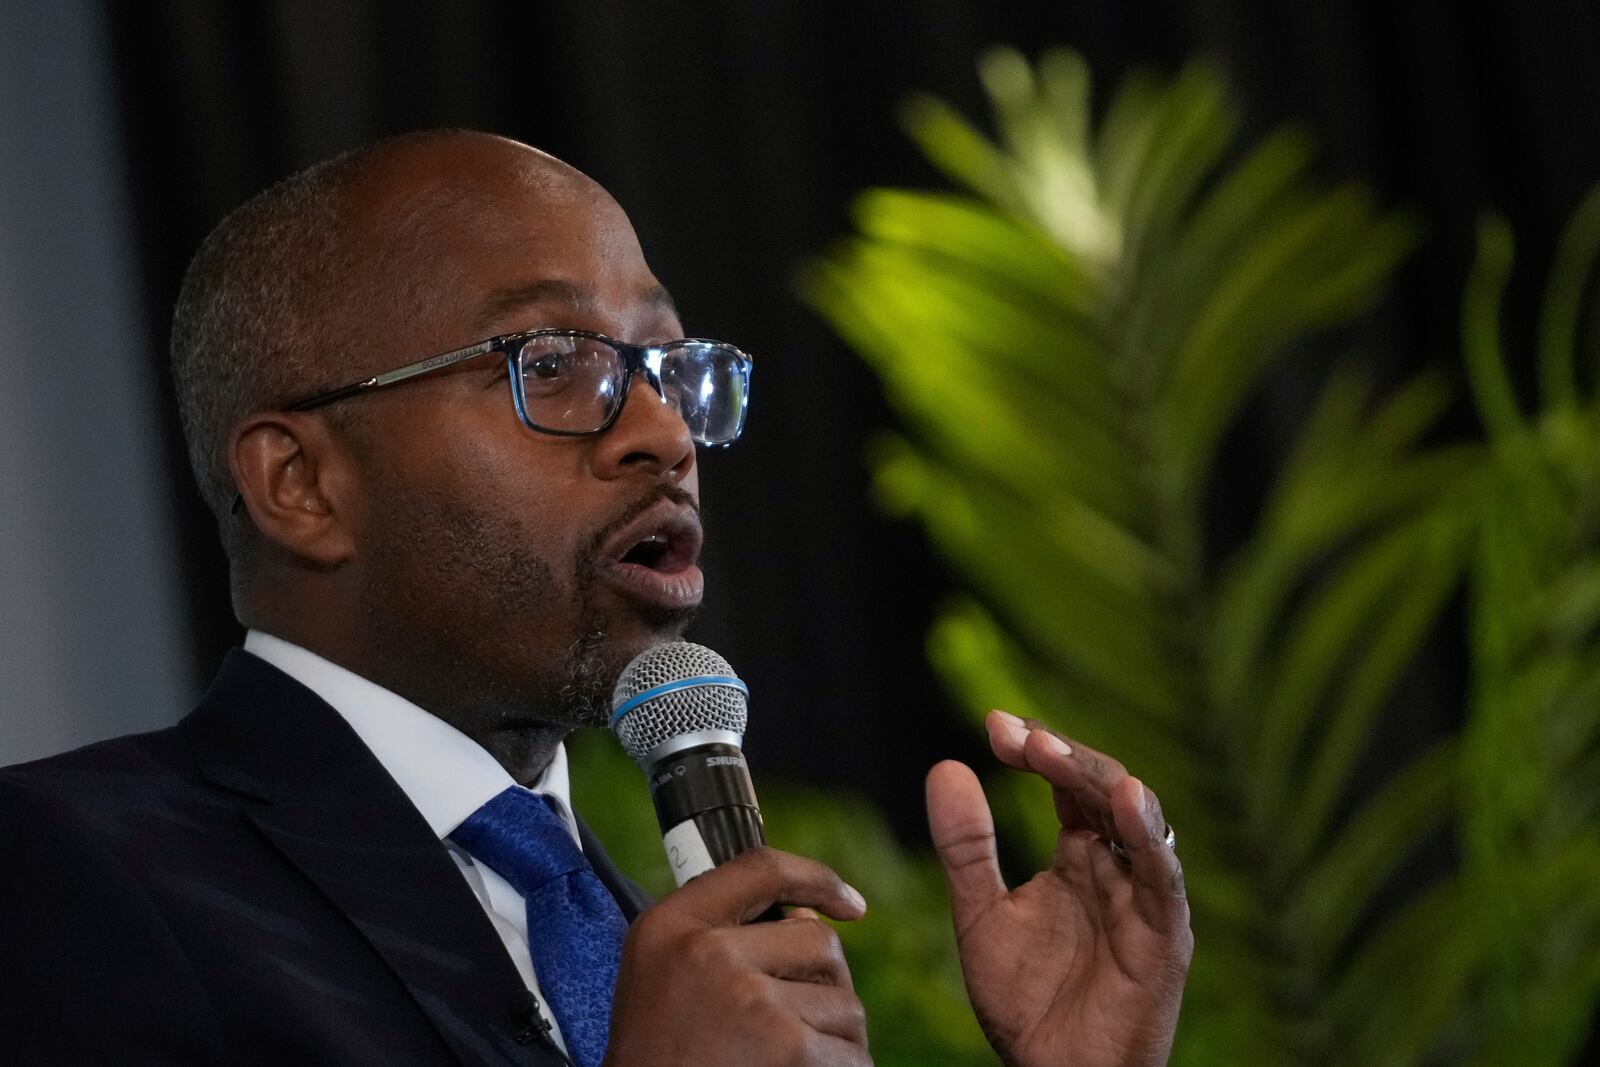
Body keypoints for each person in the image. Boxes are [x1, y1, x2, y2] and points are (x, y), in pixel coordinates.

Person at [0, 129, 1192, 1066]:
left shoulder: (650, 932)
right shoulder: (73, 870)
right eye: (551, 363)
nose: (664, 432)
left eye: (671, 366)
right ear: (303, 481)